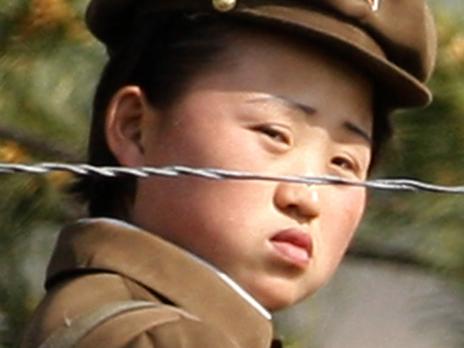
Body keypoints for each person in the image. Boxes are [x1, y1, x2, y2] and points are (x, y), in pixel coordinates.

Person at [21, 0, 437, 347]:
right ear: (135, 128)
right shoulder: (155, 339)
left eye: (343, 164)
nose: (307, 198)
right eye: (274, 134)